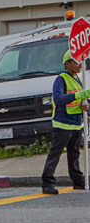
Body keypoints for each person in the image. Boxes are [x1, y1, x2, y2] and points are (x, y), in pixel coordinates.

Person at [41, 50, 90, 195]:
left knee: (74, 154)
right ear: (68, 64)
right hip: (62, 125)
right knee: (55, 154)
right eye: (76, 62)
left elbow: (77, 101)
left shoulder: (77, 79)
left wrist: (83, 104)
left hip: (76, 123)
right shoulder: (61, 79)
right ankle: (47, 183)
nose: (80, 65)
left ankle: (78, 181)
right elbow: (59, 99)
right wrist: (79, 95)